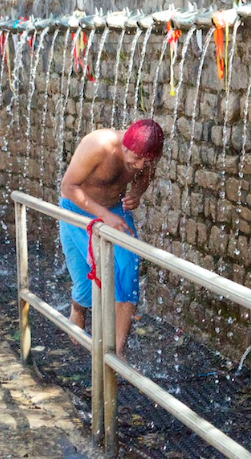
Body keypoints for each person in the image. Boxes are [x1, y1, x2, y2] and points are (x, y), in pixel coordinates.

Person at [59, 119, 164, 356]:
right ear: (125, 144)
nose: (139, 166)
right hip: (77, 209)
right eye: (136, 159)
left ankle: (116, 351)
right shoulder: (98, 145)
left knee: (128, 270)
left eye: (145, 161)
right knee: (87, 287)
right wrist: (104, 215)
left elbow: (144, 178)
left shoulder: (145, 155)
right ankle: (77, 307)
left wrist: (136, 194)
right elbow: (68, 186)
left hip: (115, 211)